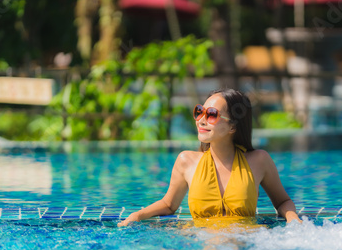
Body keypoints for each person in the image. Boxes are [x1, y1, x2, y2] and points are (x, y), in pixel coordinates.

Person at [118, 88, 301, 227]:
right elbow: (168, 204)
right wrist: (137, 215)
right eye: (200, 112)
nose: (201, 120)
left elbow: (282, 201)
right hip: (200, 246)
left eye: (212, 114)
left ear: (232, 127)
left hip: (246, 244)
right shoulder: (186, 161)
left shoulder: (259, 161)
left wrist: (293, 219)